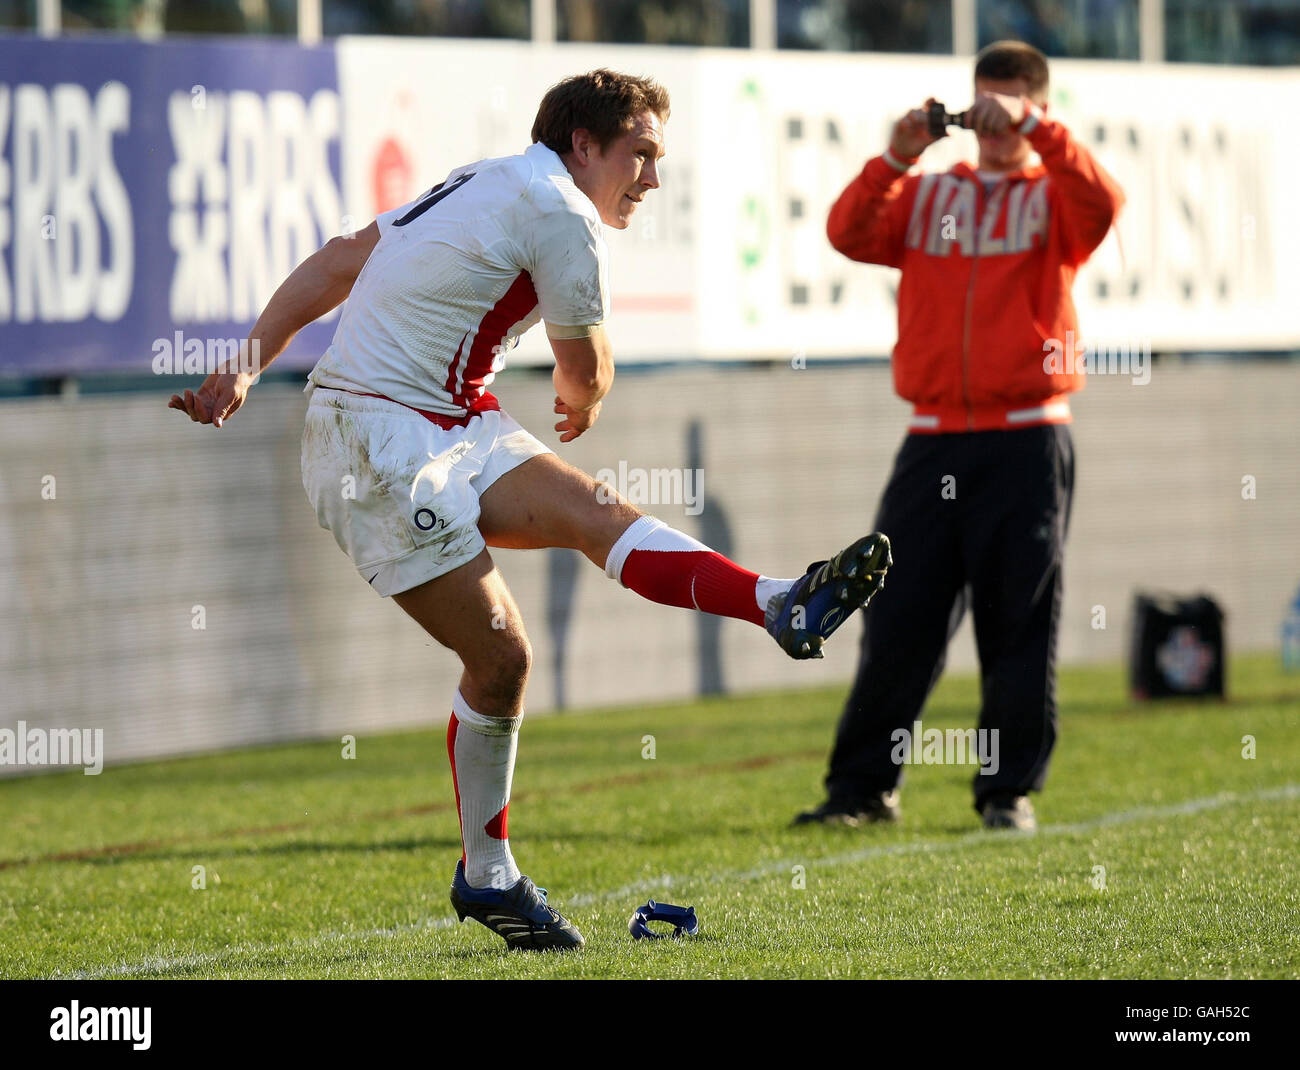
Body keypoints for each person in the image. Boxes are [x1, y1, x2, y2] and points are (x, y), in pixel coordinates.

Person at [169, 69, 892, 951]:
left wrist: (247, 362)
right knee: (504, 654)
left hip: (448, 413)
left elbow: (340, 256)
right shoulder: (562, 212)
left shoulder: (492, 176)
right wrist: (587, 396)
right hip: (375, 436)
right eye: (642, 156)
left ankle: (781, 602)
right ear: (583, 145)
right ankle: (488, 875)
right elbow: (584, 368)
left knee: (596, 512)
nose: (652, 181)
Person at [795, 41, 1123, 832]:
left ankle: (1006, 792)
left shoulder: (1055, 194)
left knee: (1017, 620)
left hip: (1026, 438)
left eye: (1006, 106)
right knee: (896, 612)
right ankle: (862, 790)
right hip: (934, 436)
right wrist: (895, 156)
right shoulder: (932, 191)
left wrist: (1040, 129)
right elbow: (847, 232)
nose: (990, 122)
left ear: (1034, 105)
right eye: (983, 104)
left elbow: (1104, 205)